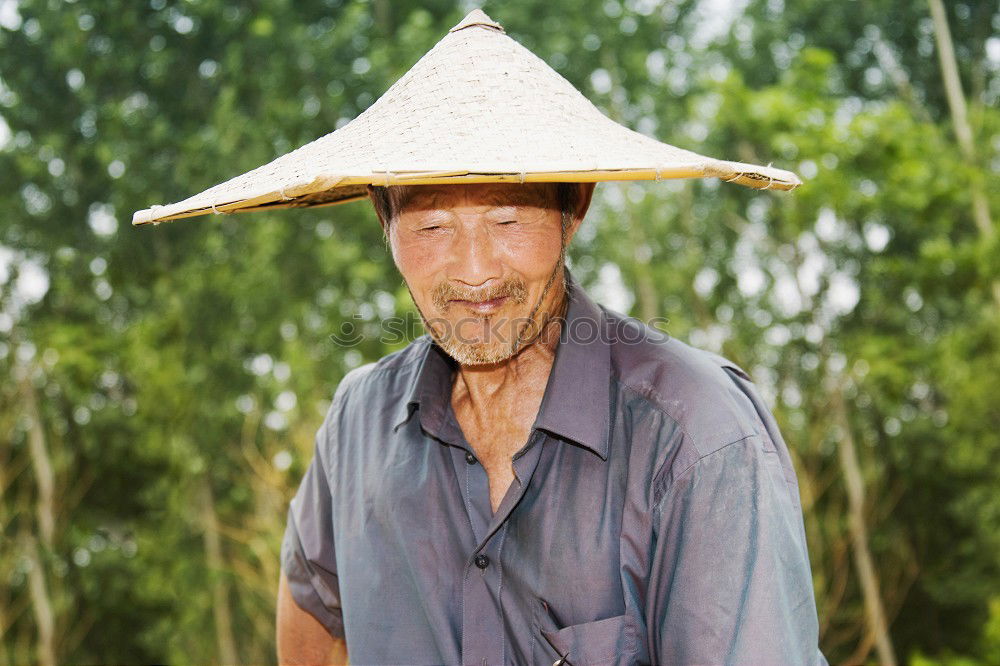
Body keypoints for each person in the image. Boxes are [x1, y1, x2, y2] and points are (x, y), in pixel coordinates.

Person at [132, 9, 824, 665]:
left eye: (507, 219)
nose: (472, 272)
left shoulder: (698, 433)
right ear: (383, 219)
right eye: (432, 227)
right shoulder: (359, 422)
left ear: (572, 205)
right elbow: (314, 608)